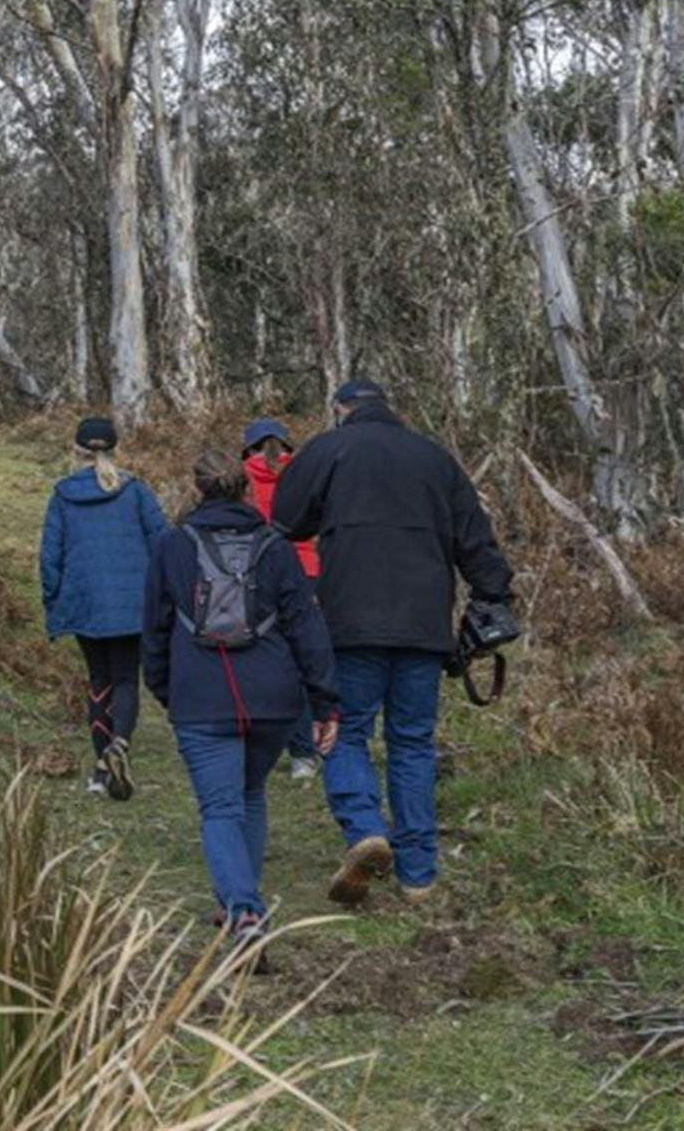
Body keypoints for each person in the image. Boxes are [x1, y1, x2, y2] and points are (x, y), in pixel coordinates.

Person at [272, 379, 514, 907]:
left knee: (345, 730)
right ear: (389, 408)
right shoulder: (435, 458)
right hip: (424, 627)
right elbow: (476, 540)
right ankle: (418, 875)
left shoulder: (330, 449)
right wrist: (493, 598)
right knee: (411, 742)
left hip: (349, 621)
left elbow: (286, 519)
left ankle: (364, 830)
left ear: (340, 410)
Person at [142, 448, 338, 955]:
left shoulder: (172, 546)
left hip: (200, 697)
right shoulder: (276, 547)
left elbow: (156, 629)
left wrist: (166, 690)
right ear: (246, 490)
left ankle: (243, 910)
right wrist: (323, 703)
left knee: (220, 807)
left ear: (197, 488)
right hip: (275, 697)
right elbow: (306, 626)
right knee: (249, 795)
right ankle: (238, 900)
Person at [40, 416, 168, 801]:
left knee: (99, 679)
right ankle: (120, 746)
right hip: (132, 603)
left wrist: (52, 598)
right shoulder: (136, 492)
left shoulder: (62, 494)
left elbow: (50, 555)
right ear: (115, 449)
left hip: (85, 602)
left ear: (76, 451)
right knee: (127, 678)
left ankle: (100, 771)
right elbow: (163, 542)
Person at [243, 419, 323, 782]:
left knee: (261, 657)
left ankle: (259, 744)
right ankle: (303, 754)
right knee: (303, 658)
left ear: (249, 448)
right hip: (306, 569)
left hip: (259, 572)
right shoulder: (307, 472)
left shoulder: (241, 476)